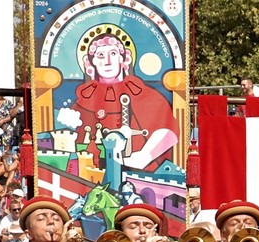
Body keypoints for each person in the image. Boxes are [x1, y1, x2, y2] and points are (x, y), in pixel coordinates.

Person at [71, 32, 180, 170]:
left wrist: (144, 156)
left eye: (113, 54)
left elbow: (169, 130)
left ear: (124, 59)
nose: (108, 61)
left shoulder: (141, 93)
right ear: (91, 62)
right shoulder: (85, 98)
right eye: (100, 55)